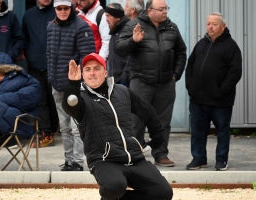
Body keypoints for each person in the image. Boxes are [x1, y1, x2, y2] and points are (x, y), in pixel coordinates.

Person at [62, 52, 173, 200]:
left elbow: (146, 110)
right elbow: (70, 105)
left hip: (134, 158)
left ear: (105, 72)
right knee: (114, 186)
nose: (92, 73)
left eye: (96, 68)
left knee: (163, 193)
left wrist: (157, 135)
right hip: (104, 160)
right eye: (87, 70)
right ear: (82, 74)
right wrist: (72, 84)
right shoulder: (81, 98)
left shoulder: (122, 91)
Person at [115, 0, 187, 167]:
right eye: (161, 9)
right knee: (136, 120)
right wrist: (134, 40)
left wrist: (175, 75)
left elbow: (181, 52)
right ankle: (134, 154)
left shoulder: (172, 27)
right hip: (141, 82)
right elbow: (119, 49)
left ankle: (161, 154)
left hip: (166, 84)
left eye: (166, 8)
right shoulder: (134, 25)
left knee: (163, 122)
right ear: (149, 10)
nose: (165, 12)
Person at [185, 12, 242, 171]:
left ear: (223, 26)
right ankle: (198, 159)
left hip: (220, 101)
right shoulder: (201, 44)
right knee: (197, 132)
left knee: (222, 132)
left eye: (214, 24)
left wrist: (221, 91)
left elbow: (235, 72)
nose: (210, 26)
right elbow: (190, 66)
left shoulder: (231, 46)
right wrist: (191, 87)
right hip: (198, 99)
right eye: (208, 23)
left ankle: (221, 160)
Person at [47, 0, 96, 171]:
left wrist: (80, 81)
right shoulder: (51, 27)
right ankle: (68, 161)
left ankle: (78, 162)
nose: (62, 11)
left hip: (75, 85)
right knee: (64, 127)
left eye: (65, 8)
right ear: (54, 9)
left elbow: (88, 57)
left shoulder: (81, 27)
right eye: (59, 8)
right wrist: (51, 77)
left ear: (72, 8)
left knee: (77, 127)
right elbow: (49, 53)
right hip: (57, 84)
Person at [22, 0, 59, 148]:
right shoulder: (28, 15)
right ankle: (46, 132)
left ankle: (55, 129)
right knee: (40, 99)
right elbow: (24, 39)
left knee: (55, 98)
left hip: (54, 64)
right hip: (35, 65)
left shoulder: (57, 12)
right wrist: (29, 57)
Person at [105, 3, 130, 87]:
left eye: (109, 16)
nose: (106, 19)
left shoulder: (126, 30)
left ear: (118, 17)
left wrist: (124, 79)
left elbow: (130, 57)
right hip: (114, 80)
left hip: (123, 81)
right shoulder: (115, 29)